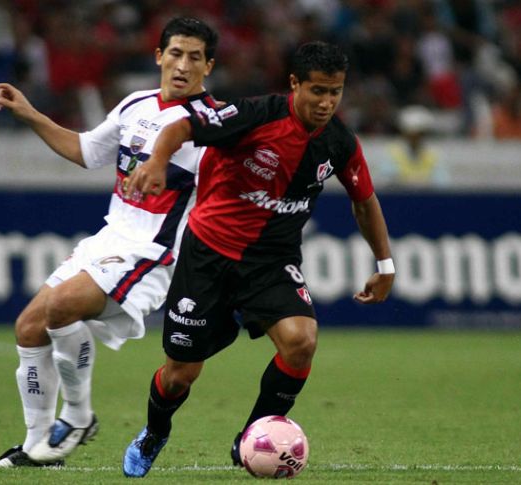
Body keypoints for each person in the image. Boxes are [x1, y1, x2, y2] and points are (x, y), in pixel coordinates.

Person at [120, 41, 395, 478]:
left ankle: (252, 436)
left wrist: (385, 266)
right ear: (294, 84)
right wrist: (156, 160)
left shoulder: (340, 141)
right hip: (208, 254)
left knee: (301, 341)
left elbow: (364, 200)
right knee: (180, 375)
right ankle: (155, 432)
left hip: (271, 262)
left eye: (335, 92)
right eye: (317, 91)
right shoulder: (253, 115)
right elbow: (181, 128)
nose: (326, 103)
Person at [0, 16, 219, 468]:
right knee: (29, 327)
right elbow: (88, 152)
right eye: (175, 53)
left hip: (154, 252)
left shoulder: (212, 125)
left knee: (61, 308)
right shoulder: (136, 104)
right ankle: (40, 447)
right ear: (158, 56)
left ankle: (76, 417)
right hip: (112, 236)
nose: (183, 65)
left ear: (208, 66)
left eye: (195, 57)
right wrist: (31, 114)